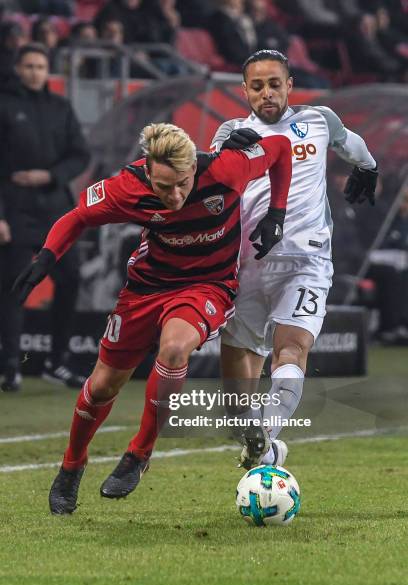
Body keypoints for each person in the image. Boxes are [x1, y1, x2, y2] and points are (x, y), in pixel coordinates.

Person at [13, 122, 292, 514]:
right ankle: (72, 463)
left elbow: (280, 148)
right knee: (103, 385)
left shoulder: (228, 168)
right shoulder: (127, 187)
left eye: (183, 182)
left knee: (176, 349)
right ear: (148, 173)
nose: (176, 195)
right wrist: (46, 257)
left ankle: (139, 454)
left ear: (194, 167)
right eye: (164, 187)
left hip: (207, 286)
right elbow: (76, 217)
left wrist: (276, 213)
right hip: (146, 288)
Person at [211, 49, 378, 469]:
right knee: (235, 404)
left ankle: (266, 439)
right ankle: (264, 449)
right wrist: (221, 157)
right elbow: (212, 186)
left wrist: (369, 165)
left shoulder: (319, 120)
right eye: (256, 86)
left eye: (274, 84)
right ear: (245, 91)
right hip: (247, 266)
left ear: (289, 85)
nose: (266, 93)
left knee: (290, 352)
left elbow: (349, 142)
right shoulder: (231, 132)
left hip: (307, 261)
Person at [0, 43, 90, 391]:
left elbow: (79, 155)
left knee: (70, 279)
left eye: (40, 66)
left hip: (55, 207)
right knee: (14, 287)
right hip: (14, 207)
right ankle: (11, 366)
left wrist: (49, 176)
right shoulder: (5, 104)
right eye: (29, 65)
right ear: (19, 68)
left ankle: (58, 361)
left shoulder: (60, 107)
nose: (35, 71)